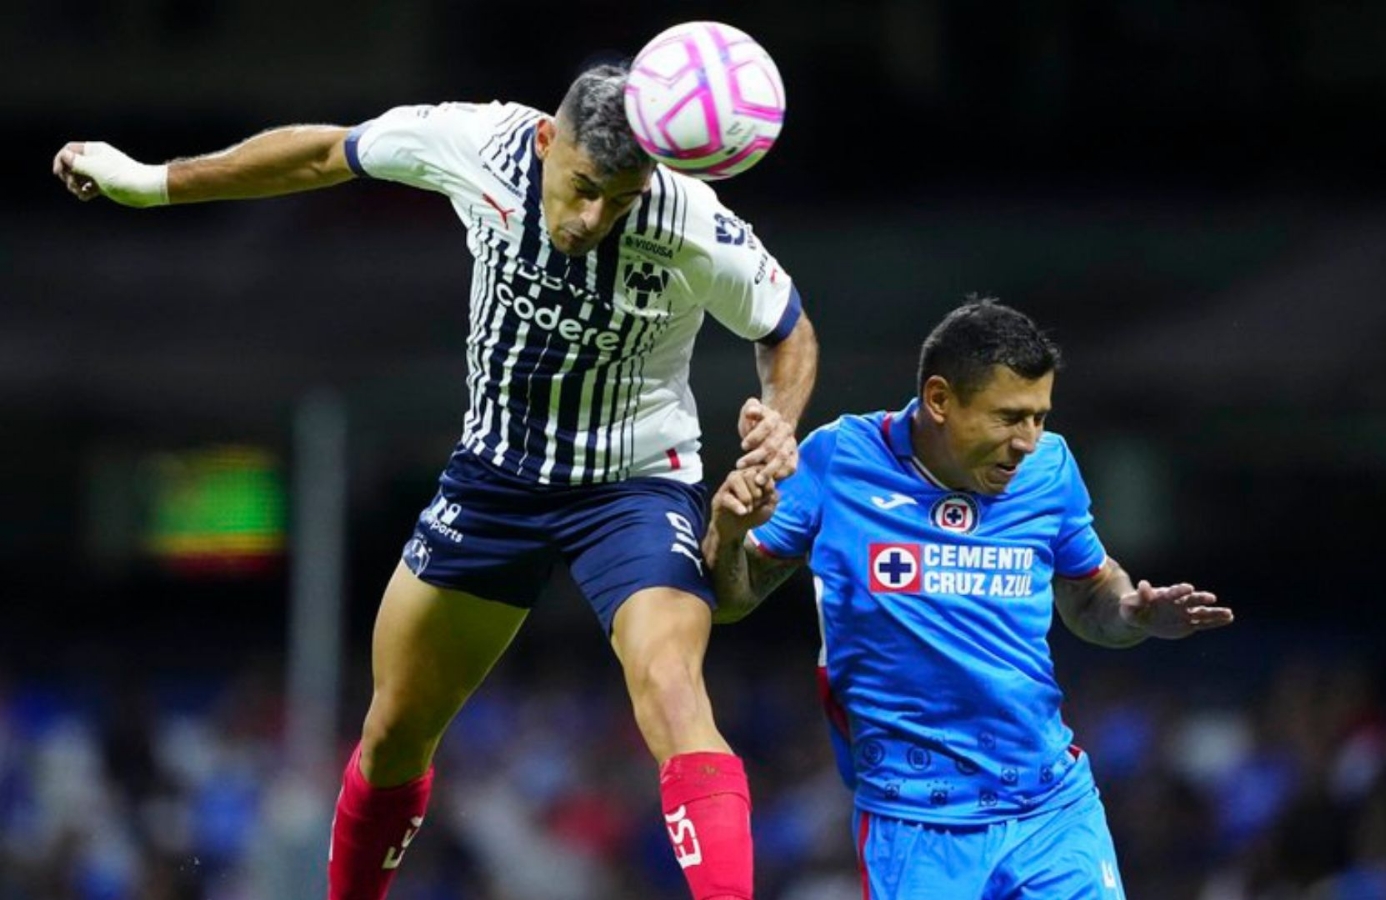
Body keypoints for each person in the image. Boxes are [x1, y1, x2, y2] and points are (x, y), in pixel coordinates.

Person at [54, 64, 819, 900]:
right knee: (393, 733)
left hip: (631, 487)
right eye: (584, 188)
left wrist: (779, 416)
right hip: (494, 480)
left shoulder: (689, 217)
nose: (594, 218)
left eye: (621, 199)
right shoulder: (476, 142)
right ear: (545, 142)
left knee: (674, 691)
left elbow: (788, 330)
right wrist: (150, 183)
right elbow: (322, 155)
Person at [703, 298, 1229, 898]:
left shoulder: (1050, 470)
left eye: (1039, 417)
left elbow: (1091, 600)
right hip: (914, 824)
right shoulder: (839, 461)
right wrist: (730, 531)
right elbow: (731, 600)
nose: (1028, 441)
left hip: (1050, 808)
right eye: (1009, 417)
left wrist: (1133, 612)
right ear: (939, 400)